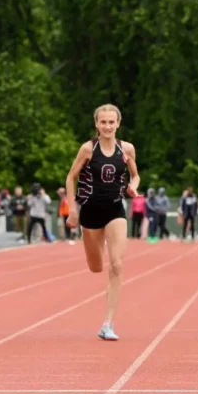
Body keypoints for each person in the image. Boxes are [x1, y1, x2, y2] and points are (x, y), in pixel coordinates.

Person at [65, 104, 140, 341]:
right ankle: (99, 246)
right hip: (90, 213)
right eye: (103, 122)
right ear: (97, 124)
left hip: (115, 210)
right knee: (96, 266)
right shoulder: (88, 149)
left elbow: (135, 174)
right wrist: (73, 210)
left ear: (118, 124)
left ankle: (107, 323)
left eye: (111, 122)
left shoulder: (126, 149)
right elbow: (70, 177)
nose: (107, 126)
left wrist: (133, 187)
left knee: (116, 265)